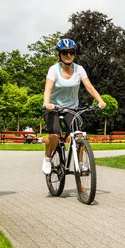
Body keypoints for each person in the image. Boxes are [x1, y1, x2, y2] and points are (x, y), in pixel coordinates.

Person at [41, 38, 106, 174]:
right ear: (60, 54)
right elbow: (48, 88)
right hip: (53, 108)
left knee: (79, 135)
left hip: (71, 108)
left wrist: (100, 100)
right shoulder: (54, 70)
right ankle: (47, 158)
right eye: (65, 53)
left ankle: (81, 163)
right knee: (55, 134)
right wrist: (47, 103)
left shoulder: (79, 69)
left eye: (71, 52)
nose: (68, 55)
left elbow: (89, 87)